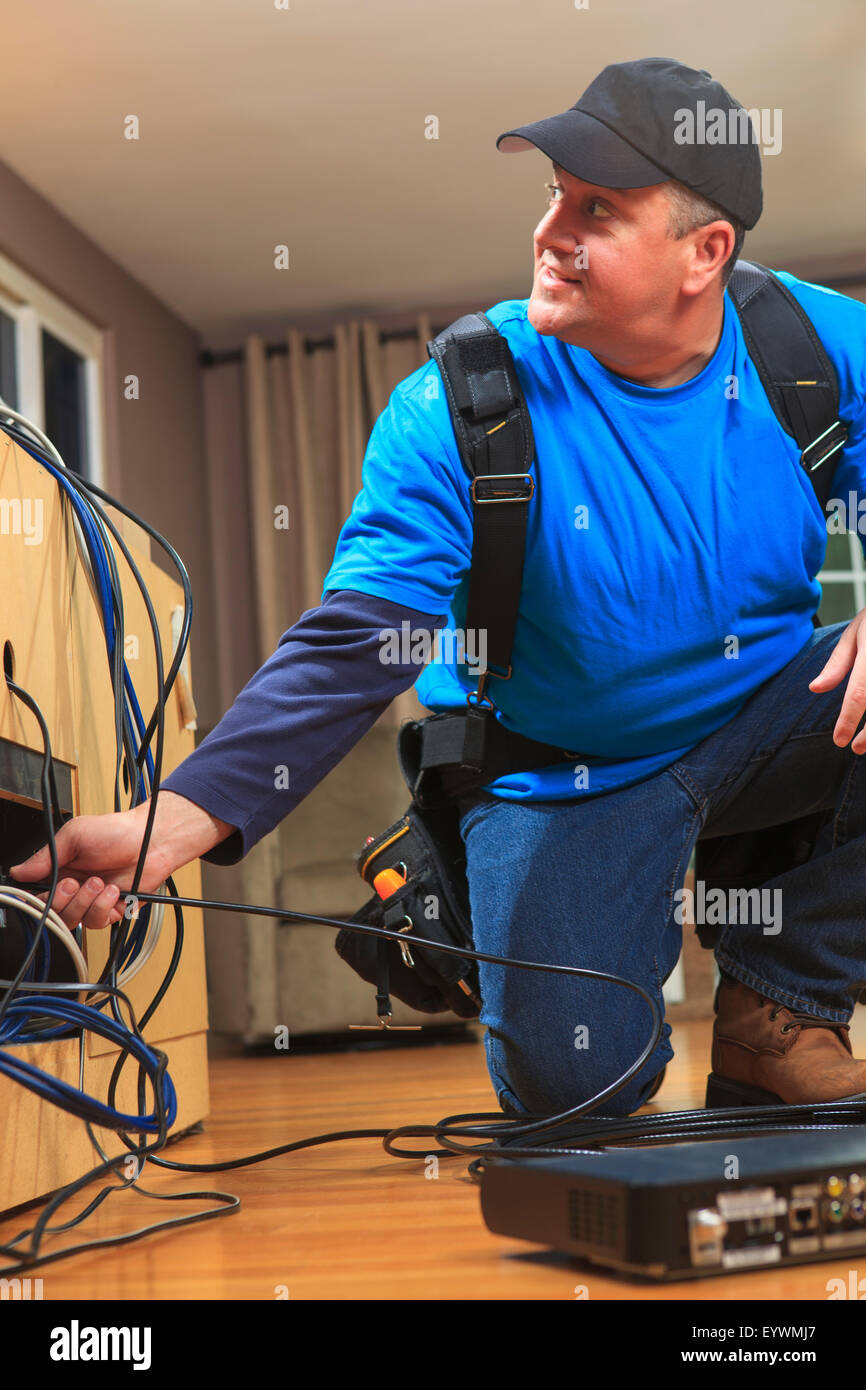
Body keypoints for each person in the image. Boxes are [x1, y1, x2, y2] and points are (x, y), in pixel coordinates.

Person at [11, 58, 866, 1117]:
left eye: (595, 207)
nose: (551, 229)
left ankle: (775, 1014)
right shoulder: (462, 399)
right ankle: (476, 870)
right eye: (553, 193)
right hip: (562, 764)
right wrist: (175, 819)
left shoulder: (810, 345)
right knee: (575, 1087)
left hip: (761, 714)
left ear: (705, 252)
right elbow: (365, 632)